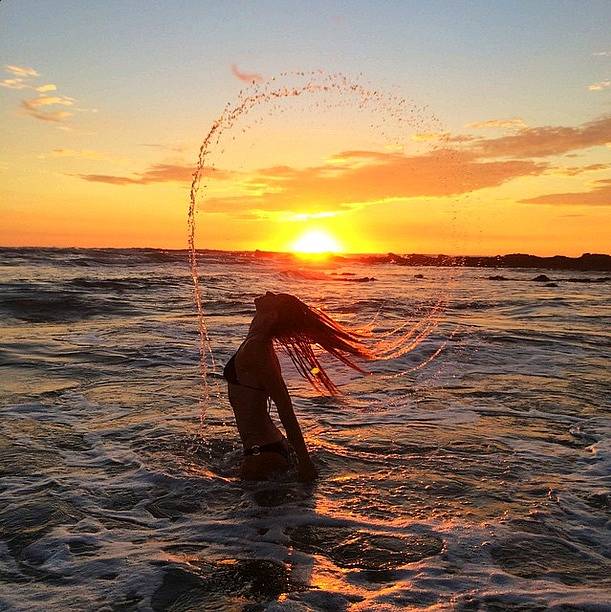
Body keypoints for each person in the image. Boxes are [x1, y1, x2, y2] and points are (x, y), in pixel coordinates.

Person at [224, 291, 372, 481]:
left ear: (274, 314)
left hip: (262, 455)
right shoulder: (257, 340)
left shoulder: (258, 347)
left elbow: (285, 408)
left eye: (275, 296)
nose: (269, 292)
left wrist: (305, 464)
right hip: (263, 450)